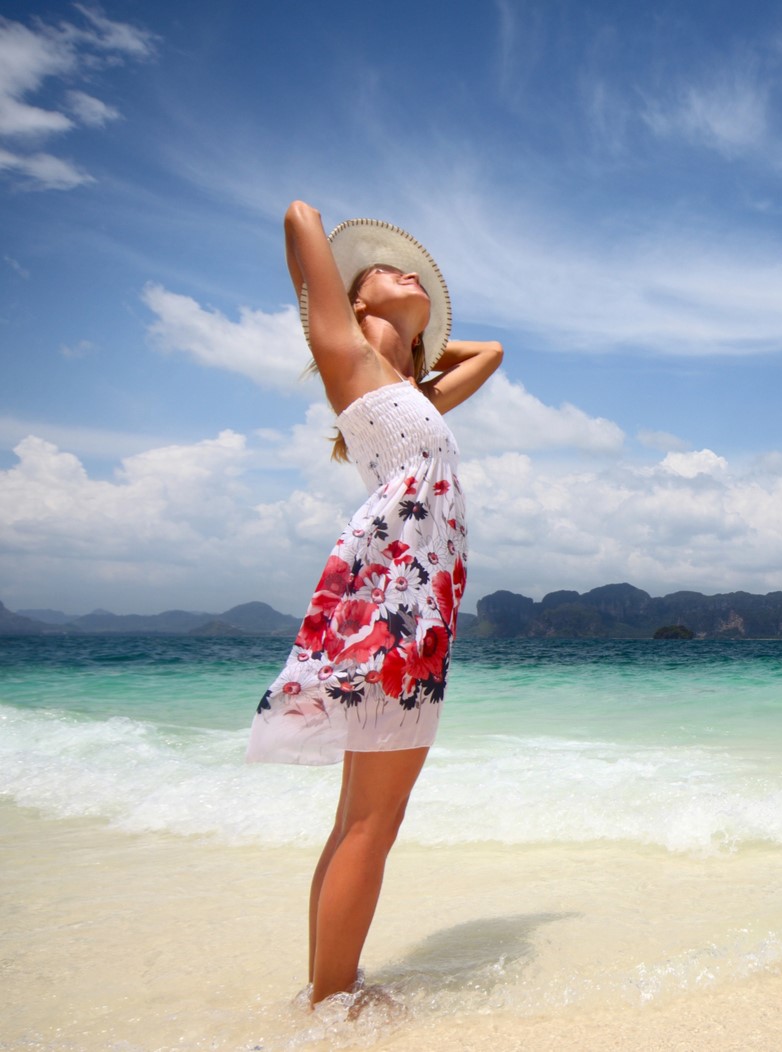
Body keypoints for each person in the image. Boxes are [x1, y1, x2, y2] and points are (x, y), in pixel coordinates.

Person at [247, 201, 502, 1010]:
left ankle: (327, 992)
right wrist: (347, 294)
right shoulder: (346, 359)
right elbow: (299, 218)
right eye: (384, 272)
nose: (409, 275)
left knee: (360, 818)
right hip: (395, 606)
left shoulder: (408, 392)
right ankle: (334, 1006)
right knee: (372, 824)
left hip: (413, 609)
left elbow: (490, 351)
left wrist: (414, 332)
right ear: (351, 303)